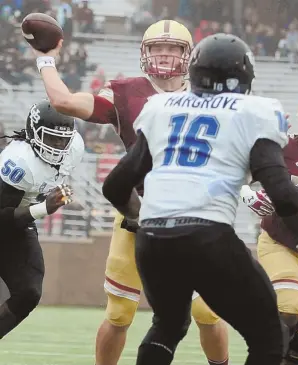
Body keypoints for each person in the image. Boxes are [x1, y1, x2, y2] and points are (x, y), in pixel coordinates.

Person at [99, 33, 298, 365]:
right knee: (269, 337)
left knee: (167, 326)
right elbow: (282, 193)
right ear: (246, 76)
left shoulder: (163, 107)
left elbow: (114, 186)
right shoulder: (256, 110)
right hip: (207, 235)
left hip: (153, 238)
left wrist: (139, 217)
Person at [29, 19, 229, 365]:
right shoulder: (125, 91)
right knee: (120, 312)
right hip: (139, 212)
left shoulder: (211, 94)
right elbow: (64, 102)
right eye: (157, 48)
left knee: (207, 311)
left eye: (172, 48)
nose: (164, 55)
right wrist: (46, 60)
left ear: (189, 55)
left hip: (194, 215)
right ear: (144, 53)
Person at [241, 91, 298, 364]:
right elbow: (237, 173)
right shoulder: (283, 148)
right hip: (278, 240)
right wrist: (248, 194)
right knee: (290, 305)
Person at [0, 99, 84, 339]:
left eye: (63, 139)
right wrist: (44, 208)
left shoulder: (75, 147)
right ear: (34, 132)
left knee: (28, 292)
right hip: (9, 218)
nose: (58, 145)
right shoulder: (19, 161)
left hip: (20, 224)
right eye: (51, 138)